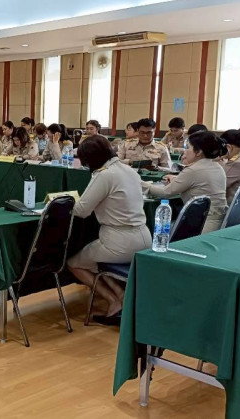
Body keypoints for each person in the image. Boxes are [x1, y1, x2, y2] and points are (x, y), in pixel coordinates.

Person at [67, 136, 152, 325]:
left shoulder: (104, 175)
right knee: (95, 262)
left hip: (119, 242)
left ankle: (113, 300)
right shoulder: (128, 170)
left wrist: (67, 201)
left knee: (75, 263)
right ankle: (120, 296)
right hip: (145, 237)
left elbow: (81, 211)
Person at [143, 131, 229, 233]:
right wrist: (176, 179)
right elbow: (197, 182)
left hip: (202, 224)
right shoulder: (217, 166)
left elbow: (166, 192)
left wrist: (142, 185)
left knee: (161, 229)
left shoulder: (193, 170)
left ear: (198, 152)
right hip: (219, 222)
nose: (185, 151)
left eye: (188, 147)